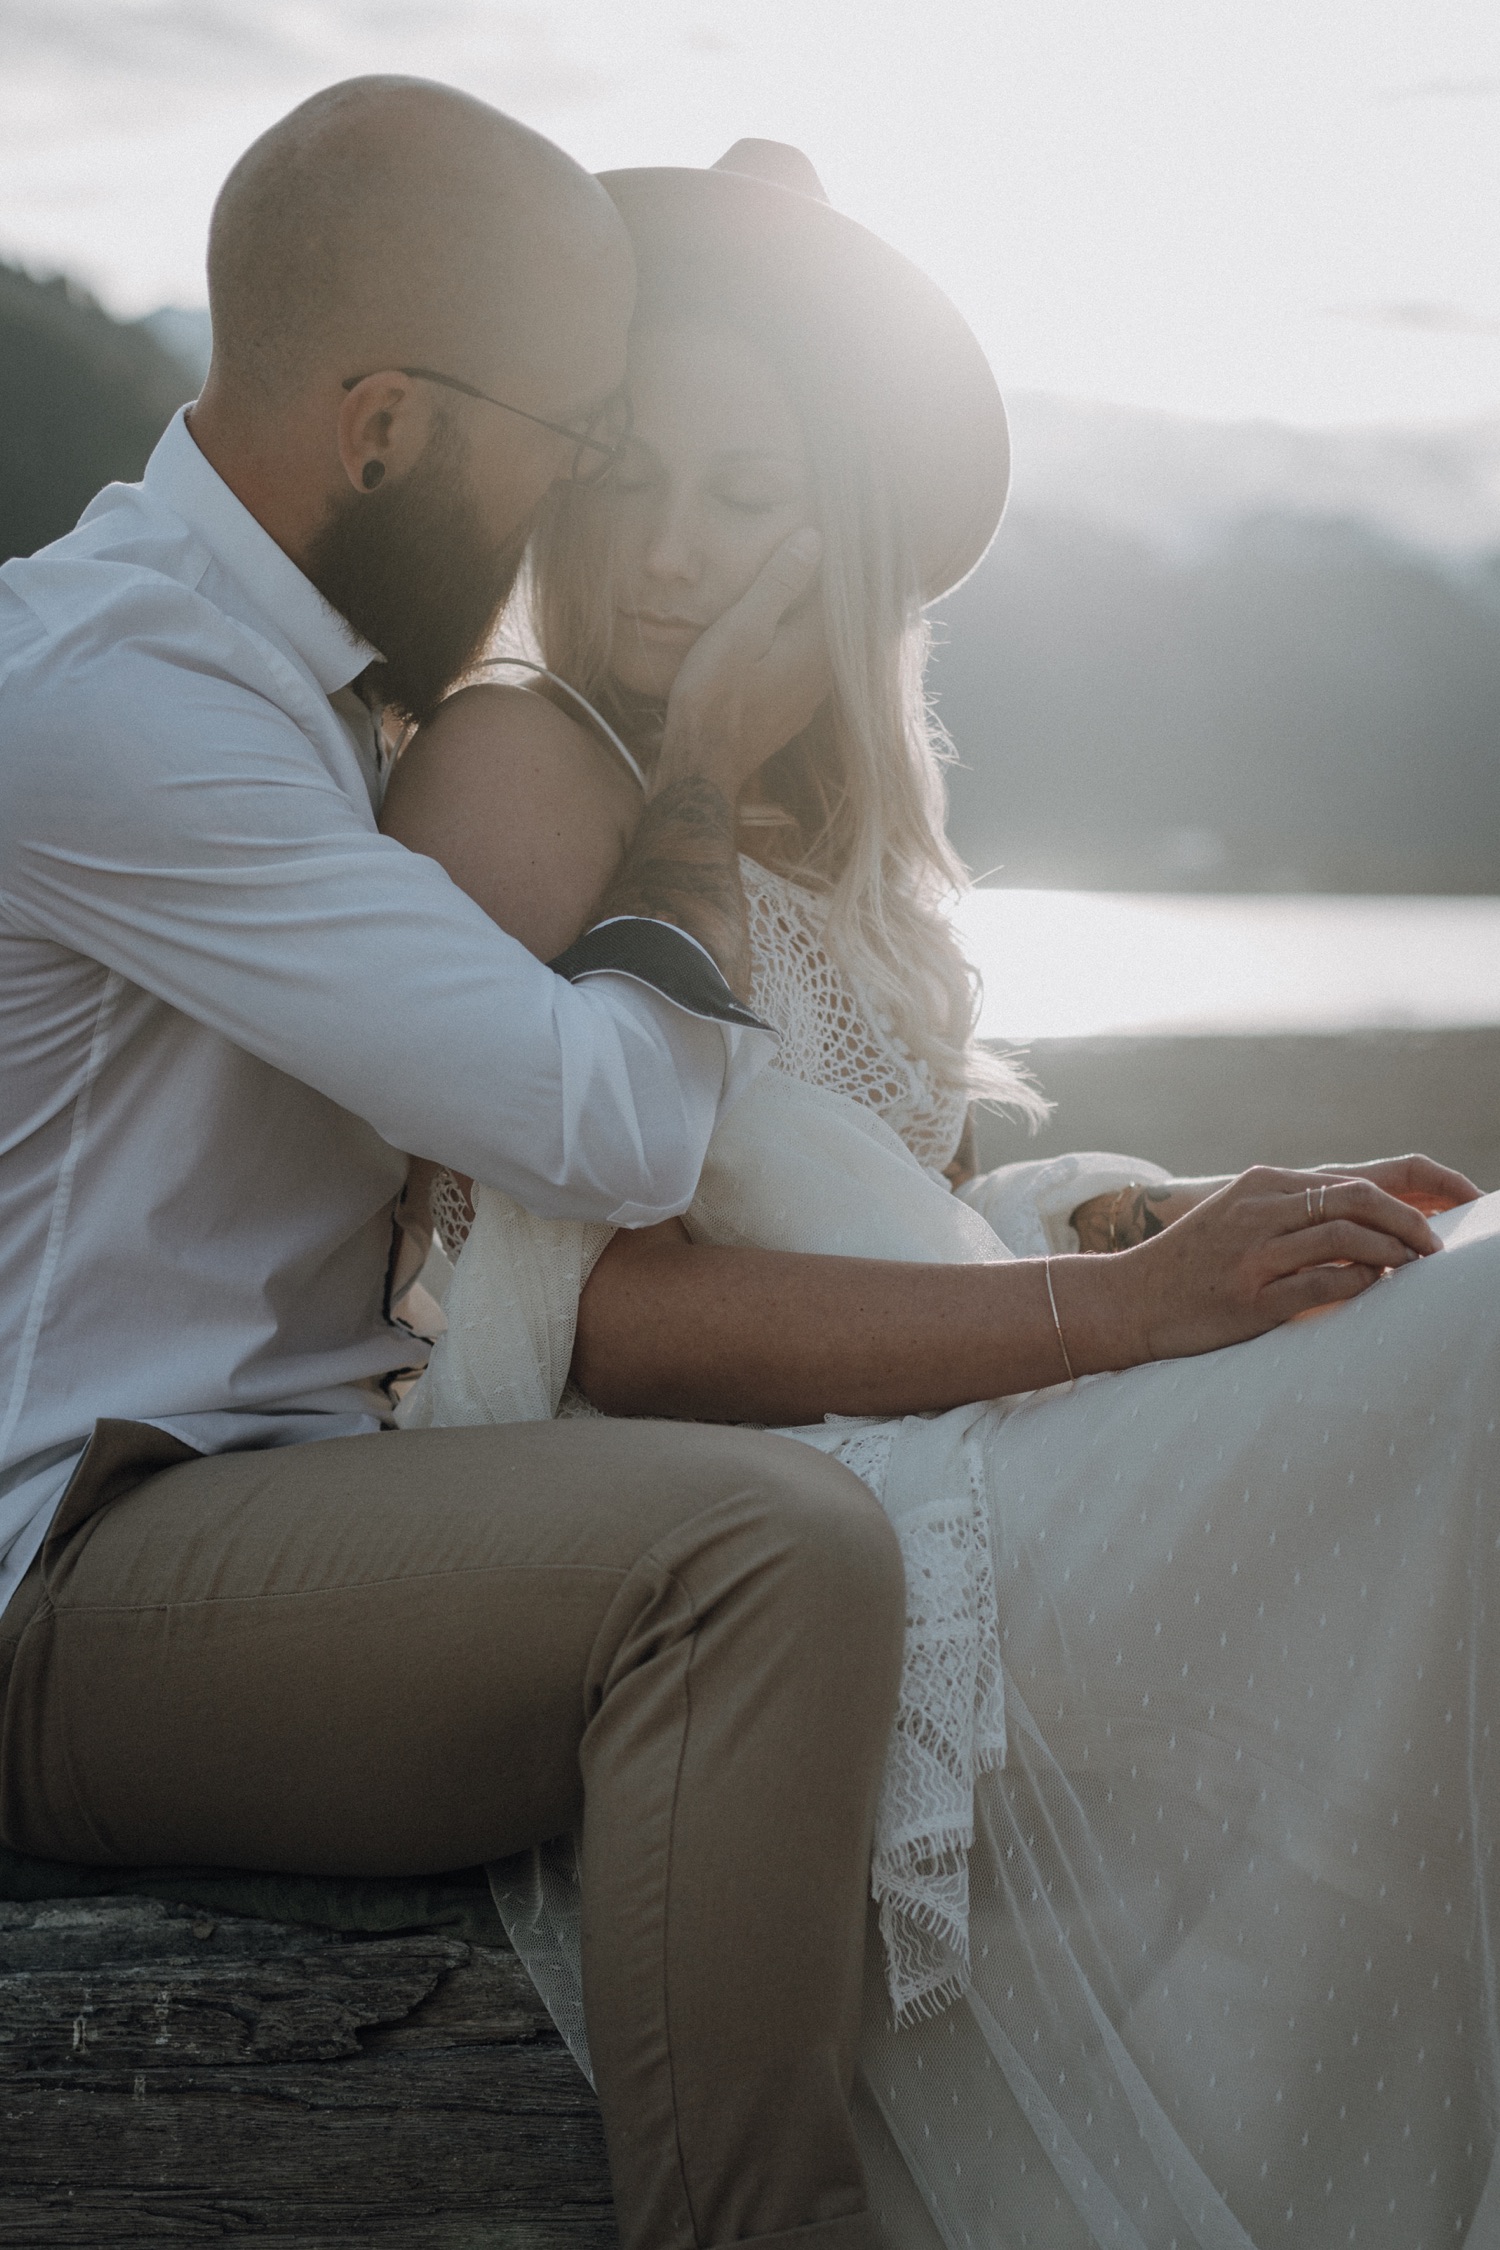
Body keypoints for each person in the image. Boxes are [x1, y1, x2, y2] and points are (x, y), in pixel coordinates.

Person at [381, 140, 1500, 2246]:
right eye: (624, 474)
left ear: (847, 543)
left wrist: (1129, 1215)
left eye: (744, 493)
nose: (664, 555)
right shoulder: (535, 768)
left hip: (955, 1450)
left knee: (1451, 1274)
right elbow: (600, 1316)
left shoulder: (824, 849)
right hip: (799, 1563)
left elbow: (883, 1207)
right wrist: (1124, 1312)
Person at [0, 82, 922, 2250]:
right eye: (576, 444)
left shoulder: (305, 678)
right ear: (390, 426)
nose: (585, 511)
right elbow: (596, 1114)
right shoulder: (129, 701)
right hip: (64, 1567)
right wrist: (687, 798)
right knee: (765, 1558)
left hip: (271, 1500)